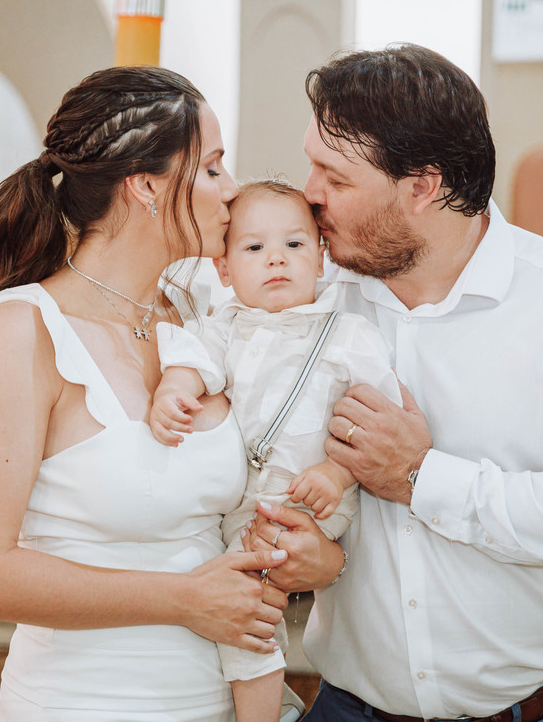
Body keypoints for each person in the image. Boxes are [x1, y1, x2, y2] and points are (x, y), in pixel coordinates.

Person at [248, 43, 543, 722]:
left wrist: (422, 477)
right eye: (310, 164)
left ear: (422, 187)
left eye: (335, 174)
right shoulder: (309, 298)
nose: (309, 193)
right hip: (349, 708)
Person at [0, 65, 291, 721]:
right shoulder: (20, 330)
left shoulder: (197, 317)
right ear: (145, 186)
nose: (232, 192)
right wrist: (182, 599)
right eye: (212, 169)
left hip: (213, 705)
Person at [150, 179, 402, 722]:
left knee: (251, 611)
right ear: (223, 269)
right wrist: (175, 390)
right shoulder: (224, 327)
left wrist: (336, 473)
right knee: (238, 613)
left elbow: (381, 419)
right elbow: (193, 361)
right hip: (238, 503)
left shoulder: (346, 334)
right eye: (254, 248)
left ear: (322, 257)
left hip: (315, 501)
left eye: (294, 245)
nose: (276, 261)